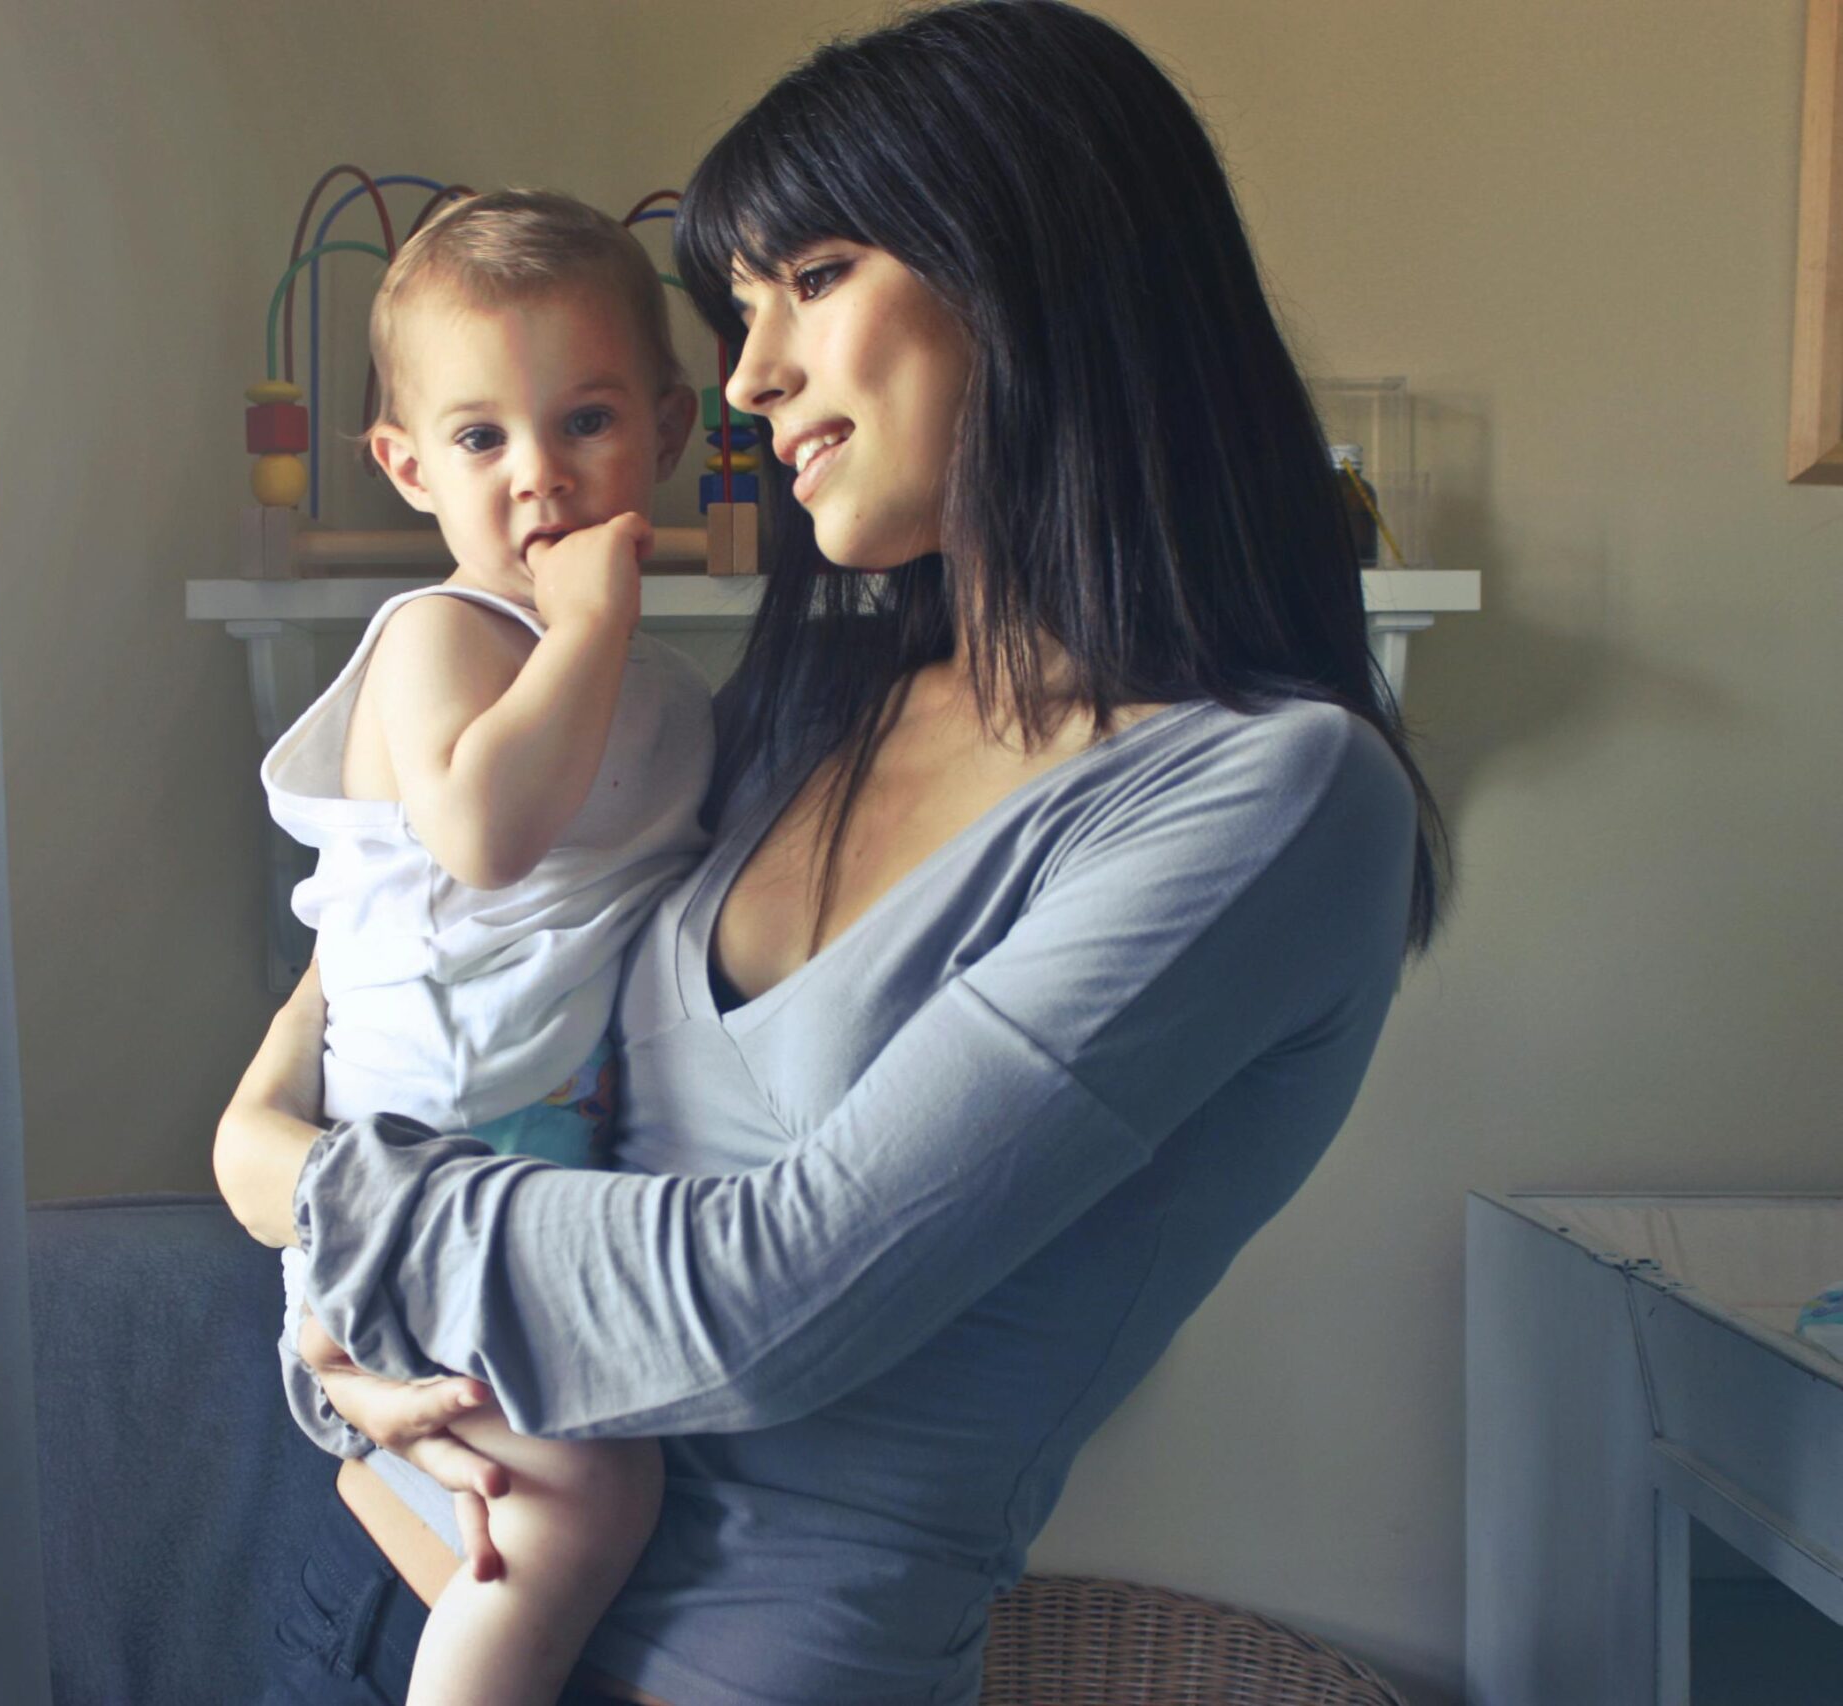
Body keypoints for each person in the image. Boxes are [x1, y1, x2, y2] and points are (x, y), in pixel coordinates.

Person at [218, 3, 1455, 1702]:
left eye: (811, 277)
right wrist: (311, 1271)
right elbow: (412, 943)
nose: (745, 378)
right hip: (401, 1573)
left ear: (1030, 263)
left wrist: (303, 1189)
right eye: (737, 312)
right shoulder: (820, 702)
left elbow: (764, 1301)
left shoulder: (1274, 800)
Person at [223, 189, 715, 1706]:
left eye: (585, 422)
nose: (541, 479)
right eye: (484, 438)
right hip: (416, 1159)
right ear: (406, 463)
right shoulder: (442, 634)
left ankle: (395, 1502)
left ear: (670, 430)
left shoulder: (662, 691)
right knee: (594, 1500)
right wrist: (584, 629)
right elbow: (489, 833)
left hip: (535, 1155)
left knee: (568, 1505)